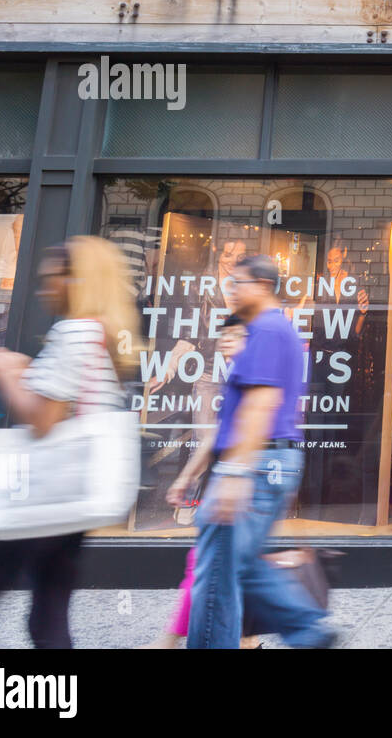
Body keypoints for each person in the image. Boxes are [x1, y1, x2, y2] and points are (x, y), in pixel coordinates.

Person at [0, 236, 137, 648]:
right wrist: (25, 367)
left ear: (76, 281)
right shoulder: (101, 333)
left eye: (51, 279)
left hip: (39, 496)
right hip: (72, 496)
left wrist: (3, 369)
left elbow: (43, 421)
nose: (42, 289)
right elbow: (67, 399)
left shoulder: (71, 333)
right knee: (47, 617)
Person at [186, 254, 335, 649]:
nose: (230, 290)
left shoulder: (268, 329)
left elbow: (261, 404)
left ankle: (305, 627)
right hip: (269, 459)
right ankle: (307, 627)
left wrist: (235, 473)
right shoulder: (271, 329)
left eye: (238, 283)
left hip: (257, 460)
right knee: (240, 563)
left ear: (263, 286)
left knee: (217, 572)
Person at [142, 317, 265, 649]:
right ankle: (248, 639)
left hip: (237, 484)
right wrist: (186, 477)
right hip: (225, 480)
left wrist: (233, 482)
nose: (226, 341)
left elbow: (249, 438)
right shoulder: (237, 378)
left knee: (207, 563)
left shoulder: (252, 383)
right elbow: (215, 438)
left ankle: (170, 642)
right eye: (224, 335)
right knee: (222, 565)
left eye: (235, 336)